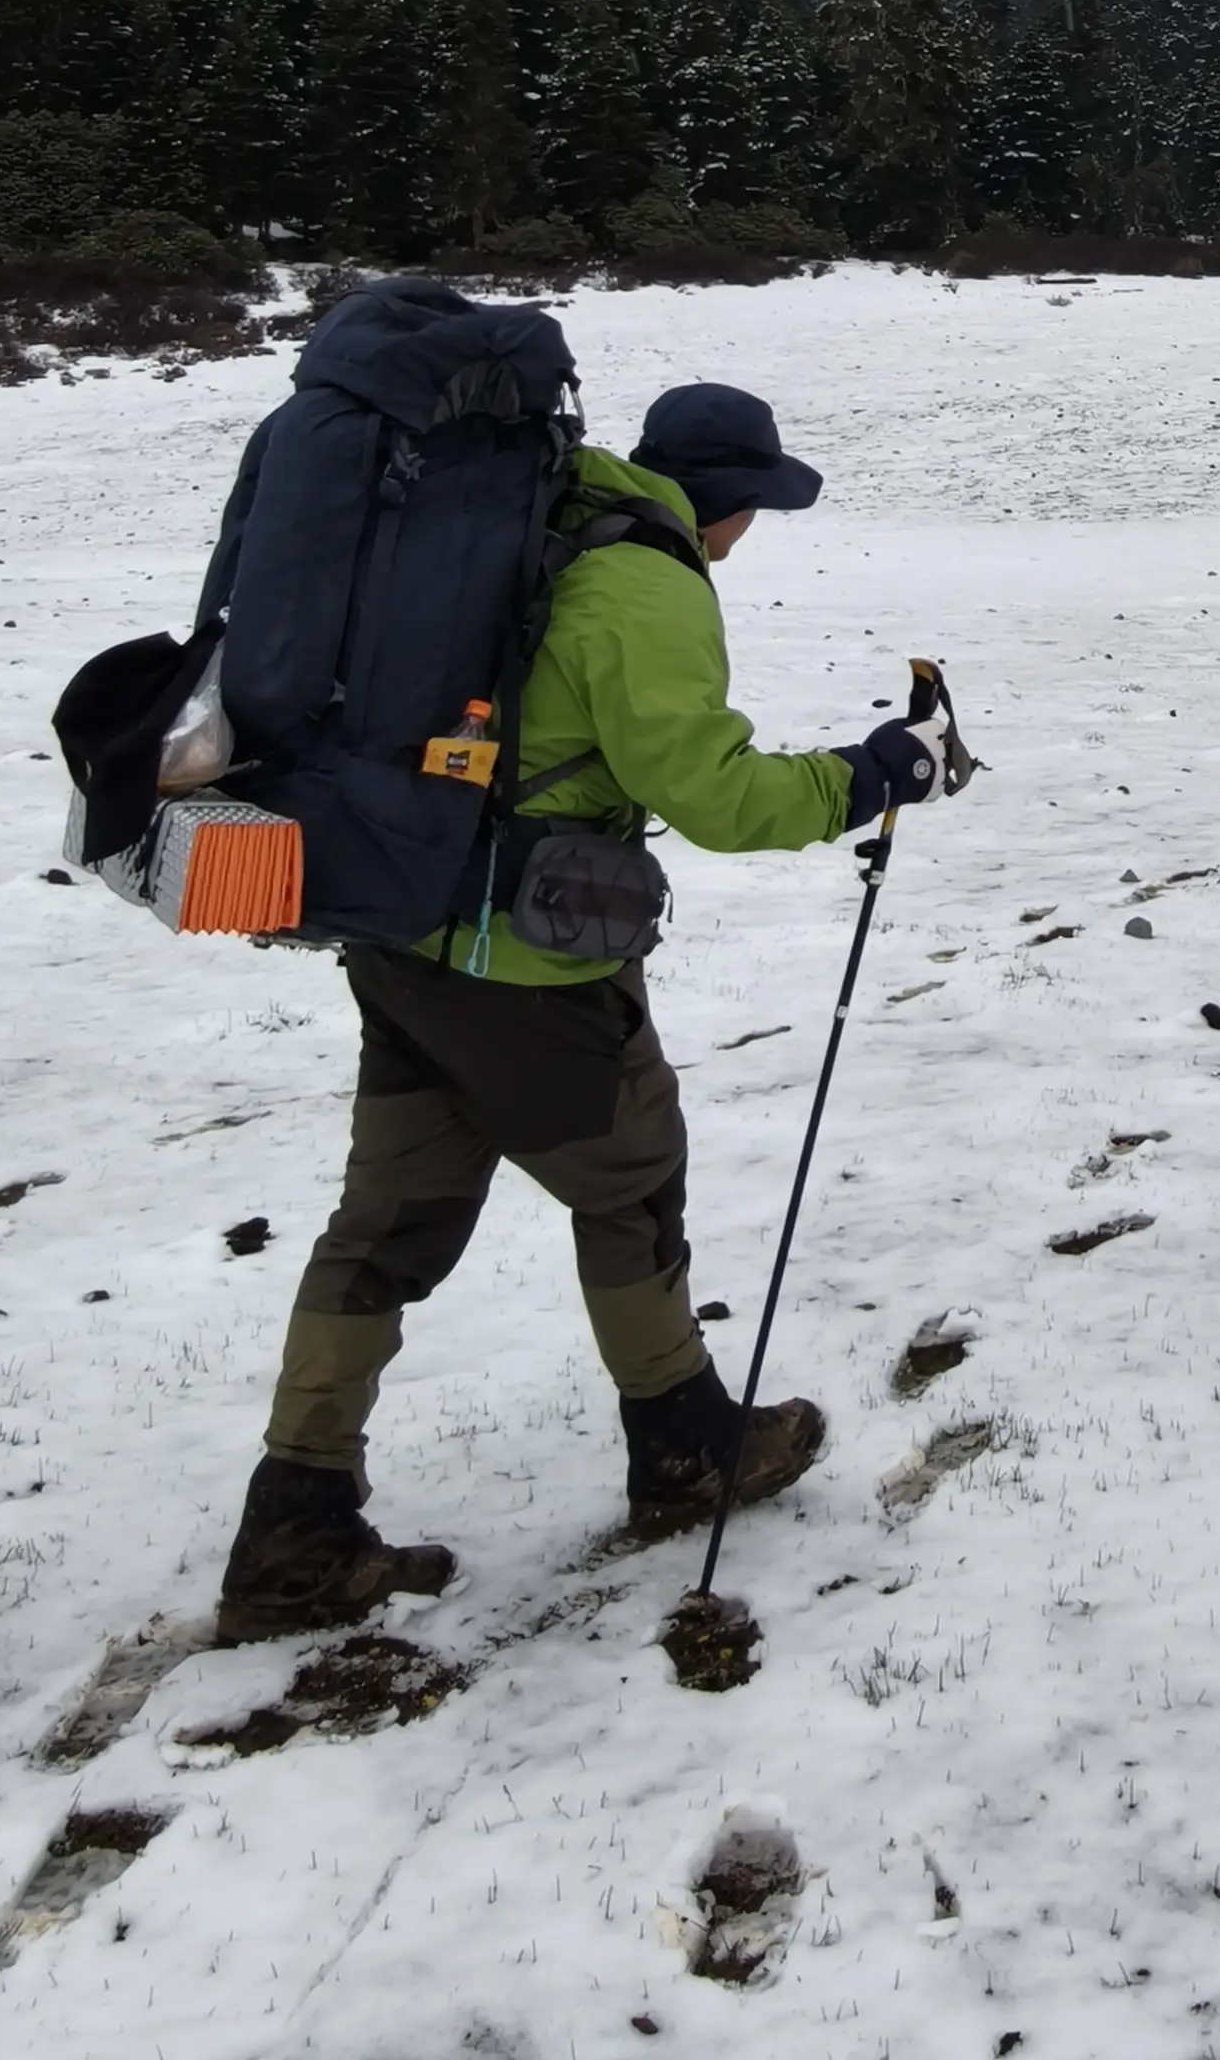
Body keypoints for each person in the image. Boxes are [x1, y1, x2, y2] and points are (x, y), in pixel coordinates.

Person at [215, 379, 946, 1646]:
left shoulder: (535, 521)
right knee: (630, 1180)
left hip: (401, 929)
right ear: (733, 505)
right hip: (529, 961)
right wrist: (876, 774)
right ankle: (684, 1446)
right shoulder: (644, 577)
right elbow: (711, 794)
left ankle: (295, 1526)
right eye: (753, 513)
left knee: (382, 1225)